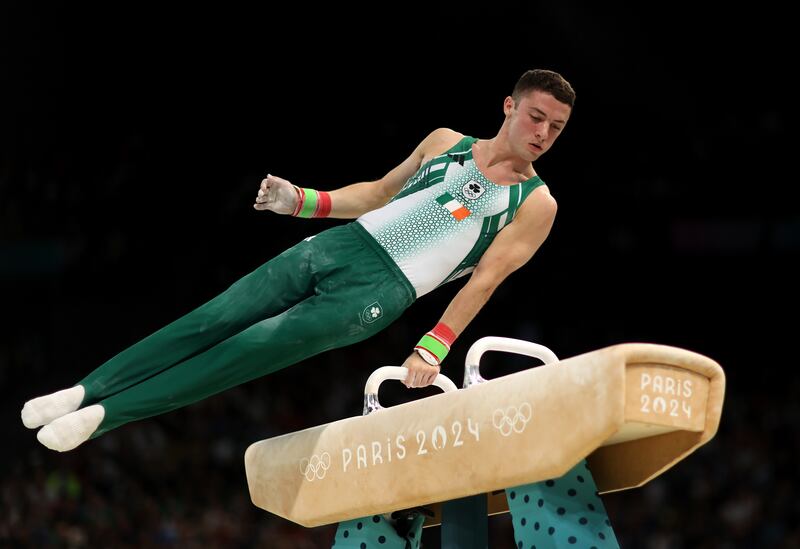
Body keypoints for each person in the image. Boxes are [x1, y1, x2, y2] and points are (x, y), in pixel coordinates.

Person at [20, 69, 574, 454]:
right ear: (509, 106)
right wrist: (304, 202)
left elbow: (488, 277)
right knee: (212, 319)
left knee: (241, 352)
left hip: (377, 293)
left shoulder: (535, 203)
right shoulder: (446, 140)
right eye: (536, 117)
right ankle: (84, 391)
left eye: (556, 127)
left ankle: (102, 419)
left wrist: (436, 342)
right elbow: (380, 193)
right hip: (340, 245)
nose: (543, 134)